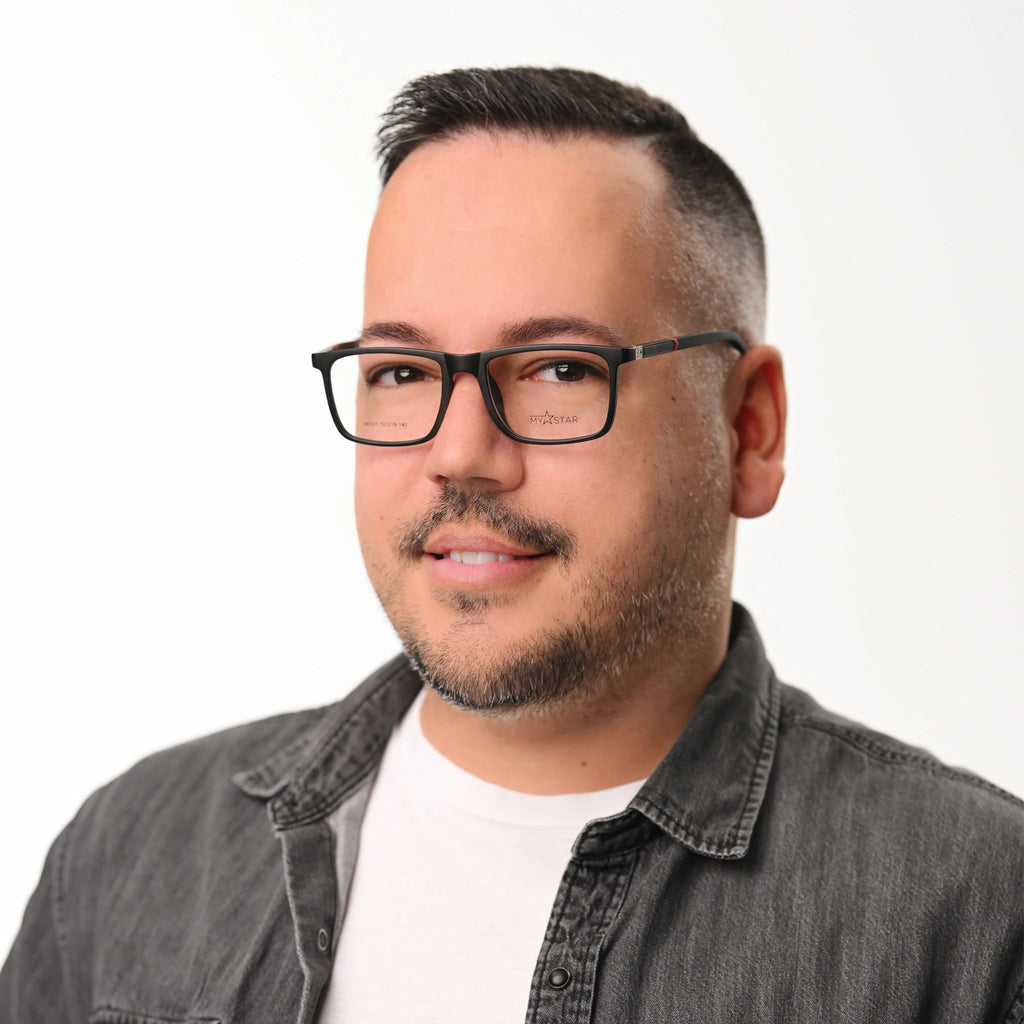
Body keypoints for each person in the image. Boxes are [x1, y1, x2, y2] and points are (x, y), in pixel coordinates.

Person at [2, 66, 1021, 1024]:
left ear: (748, 429)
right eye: (402, 373)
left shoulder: (974, 920)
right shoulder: (129, 857)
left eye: (560, 369)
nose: (459, 455)